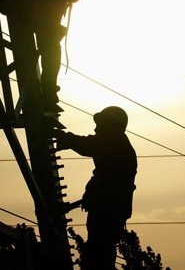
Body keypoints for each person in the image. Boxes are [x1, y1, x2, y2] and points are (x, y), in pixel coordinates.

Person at [54, 106, 137, 270]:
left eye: (100, 124)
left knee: (98, 255)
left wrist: (65, 138)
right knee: (99, 253)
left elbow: (89, 145)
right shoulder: (118, 144)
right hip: (108, 210)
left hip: (108, 211)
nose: (96, 129)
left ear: (111, 125)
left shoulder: (116, 141)